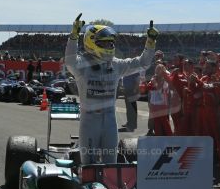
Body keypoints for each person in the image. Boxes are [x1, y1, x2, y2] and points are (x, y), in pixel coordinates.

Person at [65, 13, 158, 164]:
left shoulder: (116, 65)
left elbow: (143, 63)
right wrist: (73, 36)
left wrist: (150, 42)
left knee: (111, 164)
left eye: (111, 43)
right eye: (105, 43)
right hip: (89, 121)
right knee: (88, 164)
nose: (110, 46)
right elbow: (69, 61)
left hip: (109, 120)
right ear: (91, 43)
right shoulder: (81, 65)